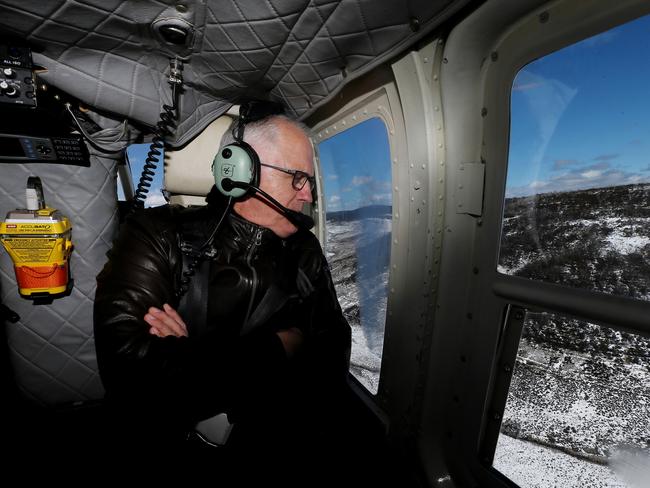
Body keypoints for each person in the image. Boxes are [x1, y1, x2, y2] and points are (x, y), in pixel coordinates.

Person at [93, 106, 352, 478]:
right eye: (297, 178)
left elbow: (328, 359)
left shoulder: (304, 249)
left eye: (309, 180)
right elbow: (133, 378)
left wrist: (188, 350)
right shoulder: (155, 235)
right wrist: (282, 346)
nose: (308, 193)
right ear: (242, 172)